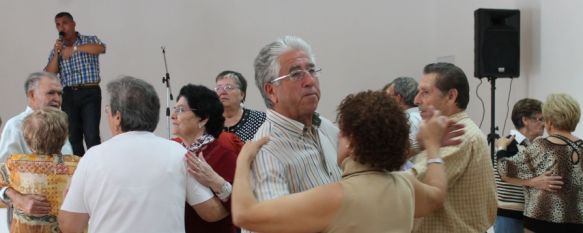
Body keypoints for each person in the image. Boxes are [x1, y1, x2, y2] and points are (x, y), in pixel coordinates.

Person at [232, 90, 461, 232]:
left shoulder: (335, 197)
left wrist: (243, 161)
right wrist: (431, 146)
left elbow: (245, 214)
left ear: (351, 141)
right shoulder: (405, 186)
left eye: (341, 133)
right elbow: (437, 195)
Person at [58, 76, 227, 233]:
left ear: (118, 117)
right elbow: (212, 213)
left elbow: (70, 226)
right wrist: (220, 185)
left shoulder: (93, 157)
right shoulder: (178, 154)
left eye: (108, 110)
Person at [249, 36, 342, 219]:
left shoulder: (325, 127)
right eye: (296, 74)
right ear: (271, 91)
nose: (310, 81)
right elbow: (275, 226)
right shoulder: (266, 153)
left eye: (312, 70)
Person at [411, 62, 497, 233]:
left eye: (425, 92)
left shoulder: (459, 136)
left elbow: (406, 190)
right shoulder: (442, 133)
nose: (416, 100)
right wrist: (420, 144)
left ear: (451, 96)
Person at [497, 93, 583, 233]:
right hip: (577, 221)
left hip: (541, 220)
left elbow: (504, 170)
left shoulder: (542, 146)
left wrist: (500, 148)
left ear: (550, 121)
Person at [172, 84, 241, 233]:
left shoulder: (222, 152)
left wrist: (215, 182)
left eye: (181, 110)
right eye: (175, 109)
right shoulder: (173, 148)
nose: (173, 116)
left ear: (203, 119)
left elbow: (241, 207)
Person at [0, 107, 80, 233]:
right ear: (64, 136)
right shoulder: (78, 165)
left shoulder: (14, 163)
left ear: (27, 139)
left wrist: (15, 197)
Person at [44, 12, 105, 156]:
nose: (61, 27)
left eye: (64, 23)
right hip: (69, 94)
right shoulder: (57, 49)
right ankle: (80, 172)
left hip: (90, 92)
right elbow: (49, 73)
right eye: (58, 24)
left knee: (91, 135)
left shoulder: (89, 40)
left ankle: (96, 170)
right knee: (73, 138)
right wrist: (58, 53)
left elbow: (101, 48)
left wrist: (75, 49)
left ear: (73, 24)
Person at [0, 72, 73, 162]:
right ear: (31, 94)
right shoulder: (15, 126)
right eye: (51, 93)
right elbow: (6, 168)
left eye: (59, 94)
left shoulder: (60, 124)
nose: (57, 99)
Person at [215, 71, 266, 142]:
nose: (222, 92)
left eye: (228, 87)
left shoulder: (261, 120)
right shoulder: (207, 122)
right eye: (218, 88)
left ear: (242, 94)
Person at [384, 76, 422, 169]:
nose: (383, 102)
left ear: (398, 98)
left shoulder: (406, 121)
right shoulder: (423, 116)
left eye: (386, 96)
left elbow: (398, 155)